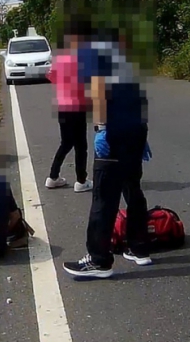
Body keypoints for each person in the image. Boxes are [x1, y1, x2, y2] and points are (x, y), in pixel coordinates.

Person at [63, 27, 151, 279]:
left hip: (114, 134)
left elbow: (99, 93)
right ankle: (139, 248)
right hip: (135, 131)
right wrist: (141, 136)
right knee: (132, 187)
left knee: (104, 196)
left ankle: (99, 260)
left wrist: (101, 129)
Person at [45, 19, 93, 193]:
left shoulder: (60, 57)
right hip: (78, 107)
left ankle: (53, 176)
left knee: (66, 143)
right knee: (81, 145)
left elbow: (50, 76)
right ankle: (81, 180)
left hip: (62, 107)